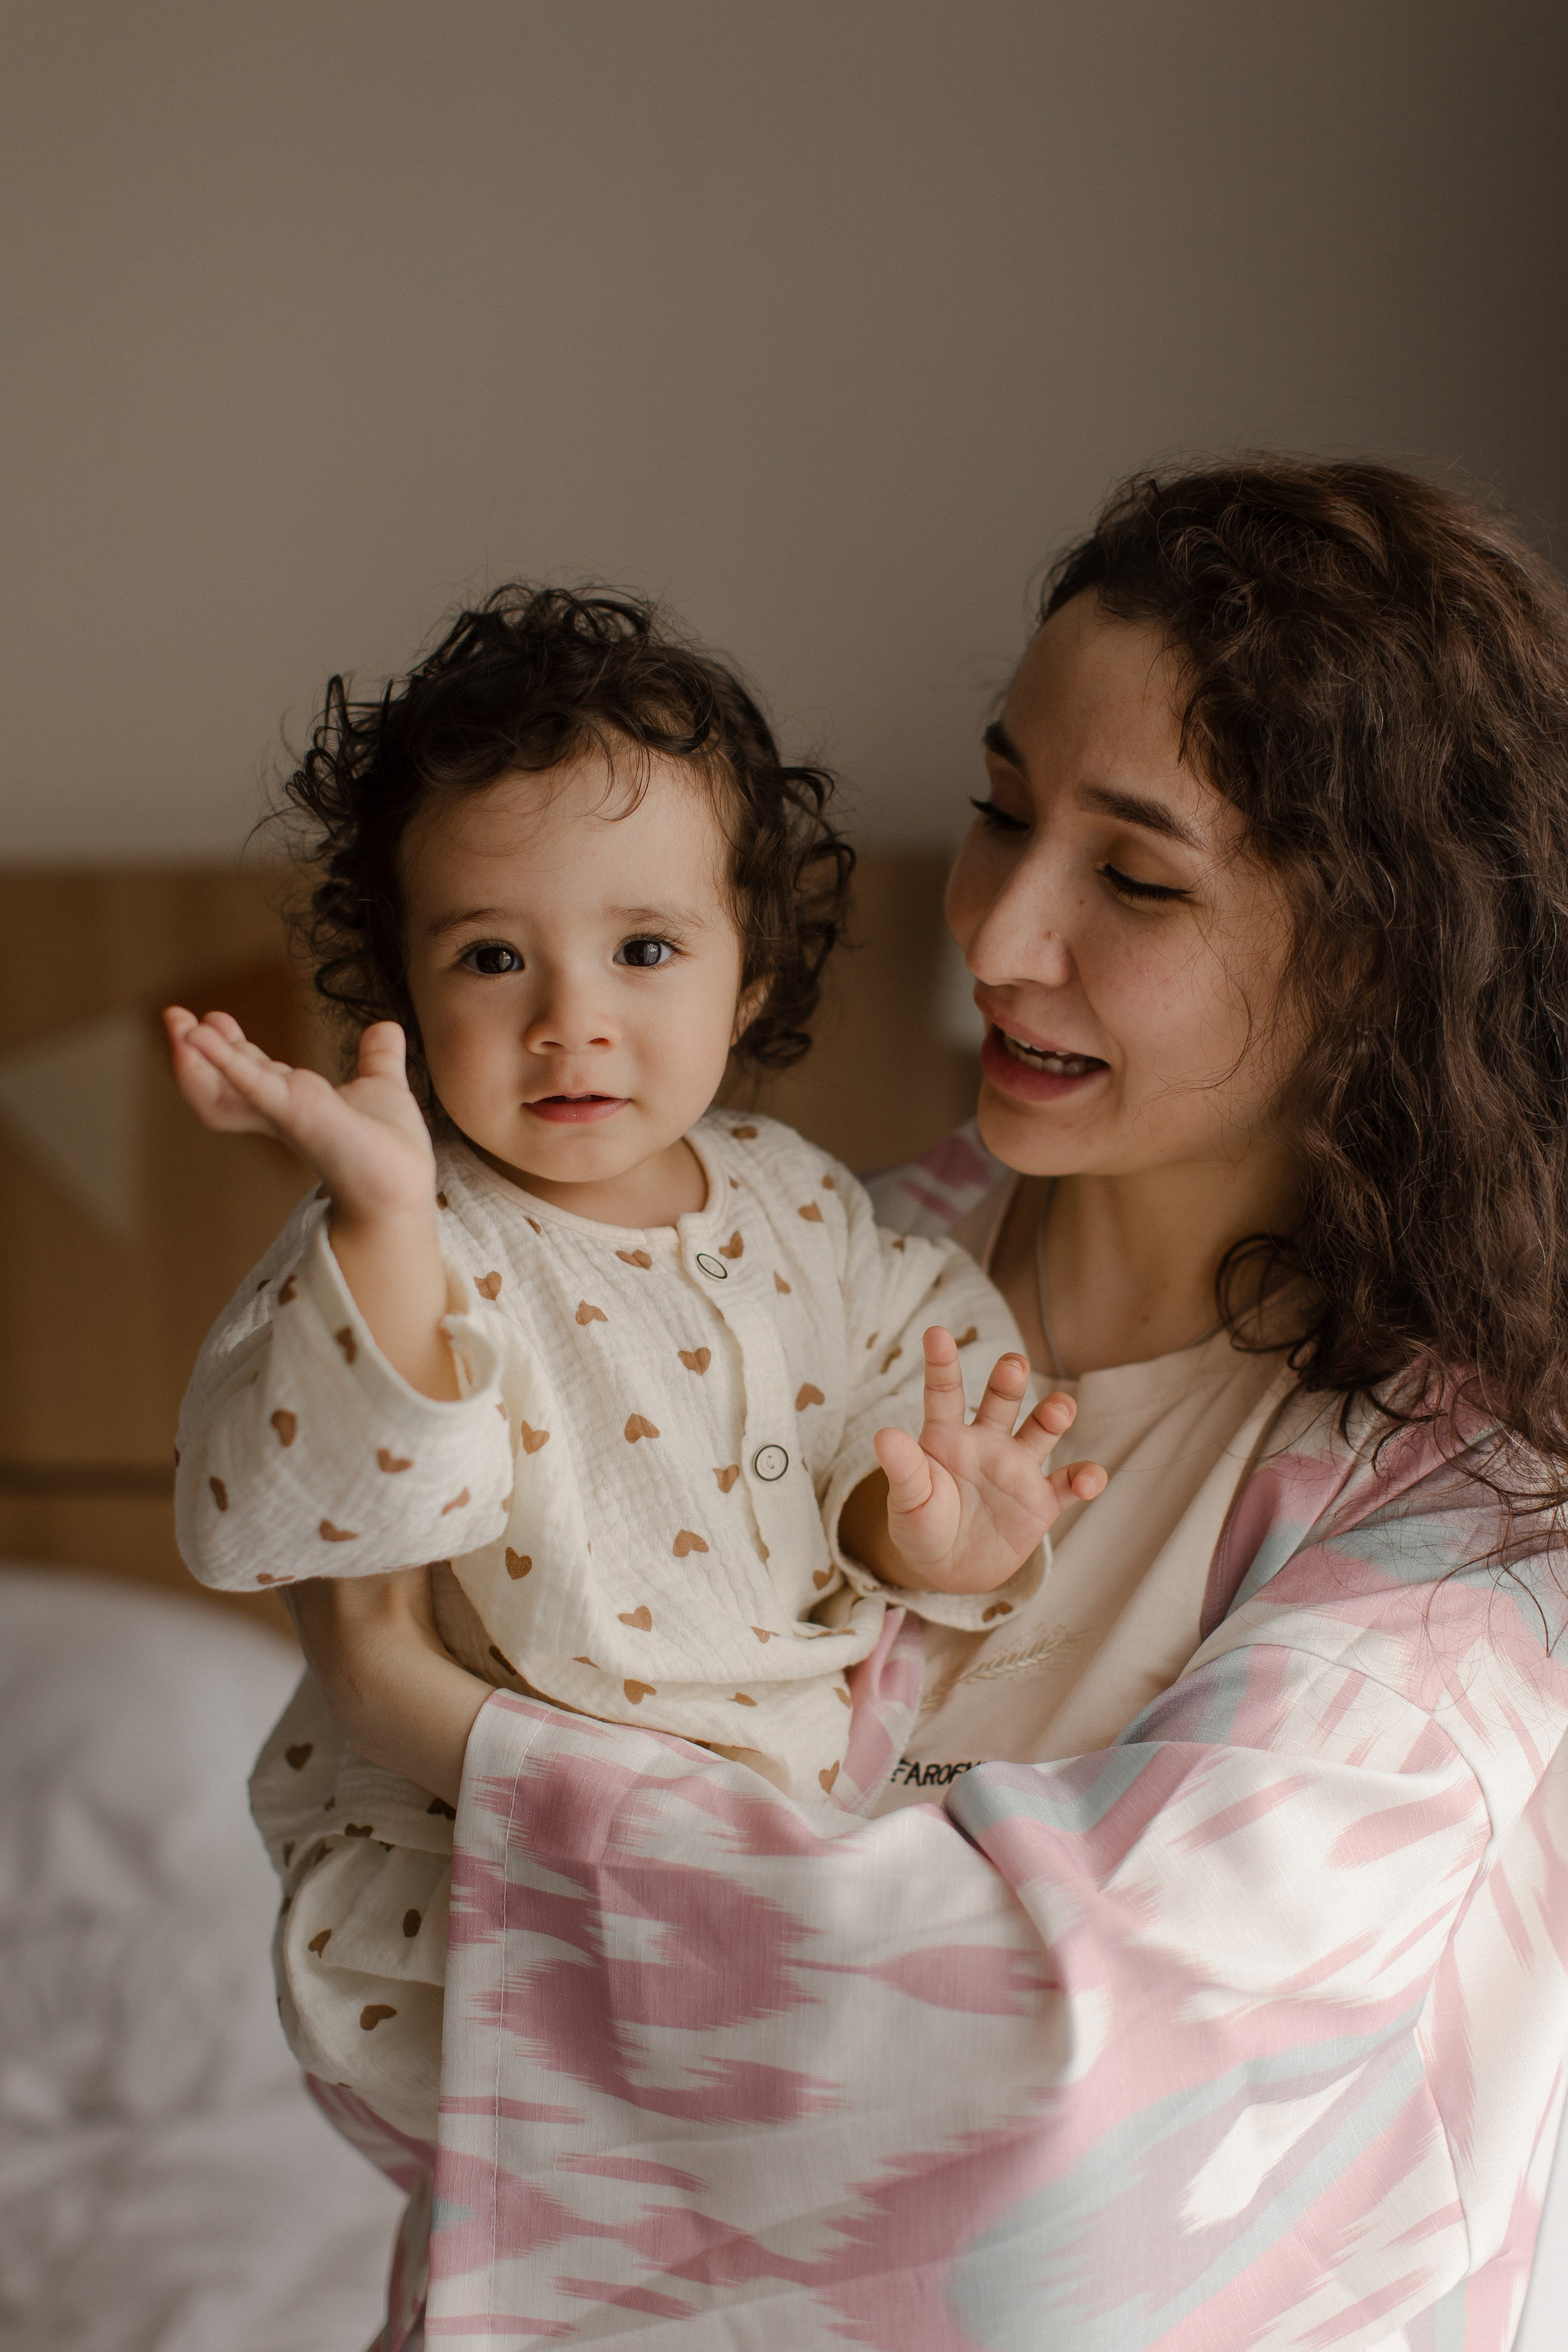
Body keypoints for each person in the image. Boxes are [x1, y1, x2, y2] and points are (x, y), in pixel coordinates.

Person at [288, 456, 1568, 2351]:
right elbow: (405, 1992)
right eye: (997, 810)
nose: (996, 934)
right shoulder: (819, 1273)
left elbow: (1057, 2078)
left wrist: (437, 1721)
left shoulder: (1463, 1545)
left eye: (1133, 878)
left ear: (1379, 959)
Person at [163, 589, 1106, 2149]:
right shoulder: (406, 1226)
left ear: (746, 980)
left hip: (769, 1857)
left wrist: (915, 1532)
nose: (568, 1023)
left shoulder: (806, 1204)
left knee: (965, 2092)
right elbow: (279, 1509)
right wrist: (385, 1223)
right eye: (488, 958)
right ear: (399, 997)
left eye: (644, 947)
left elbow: (887, 1414)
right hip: (462, 1893)